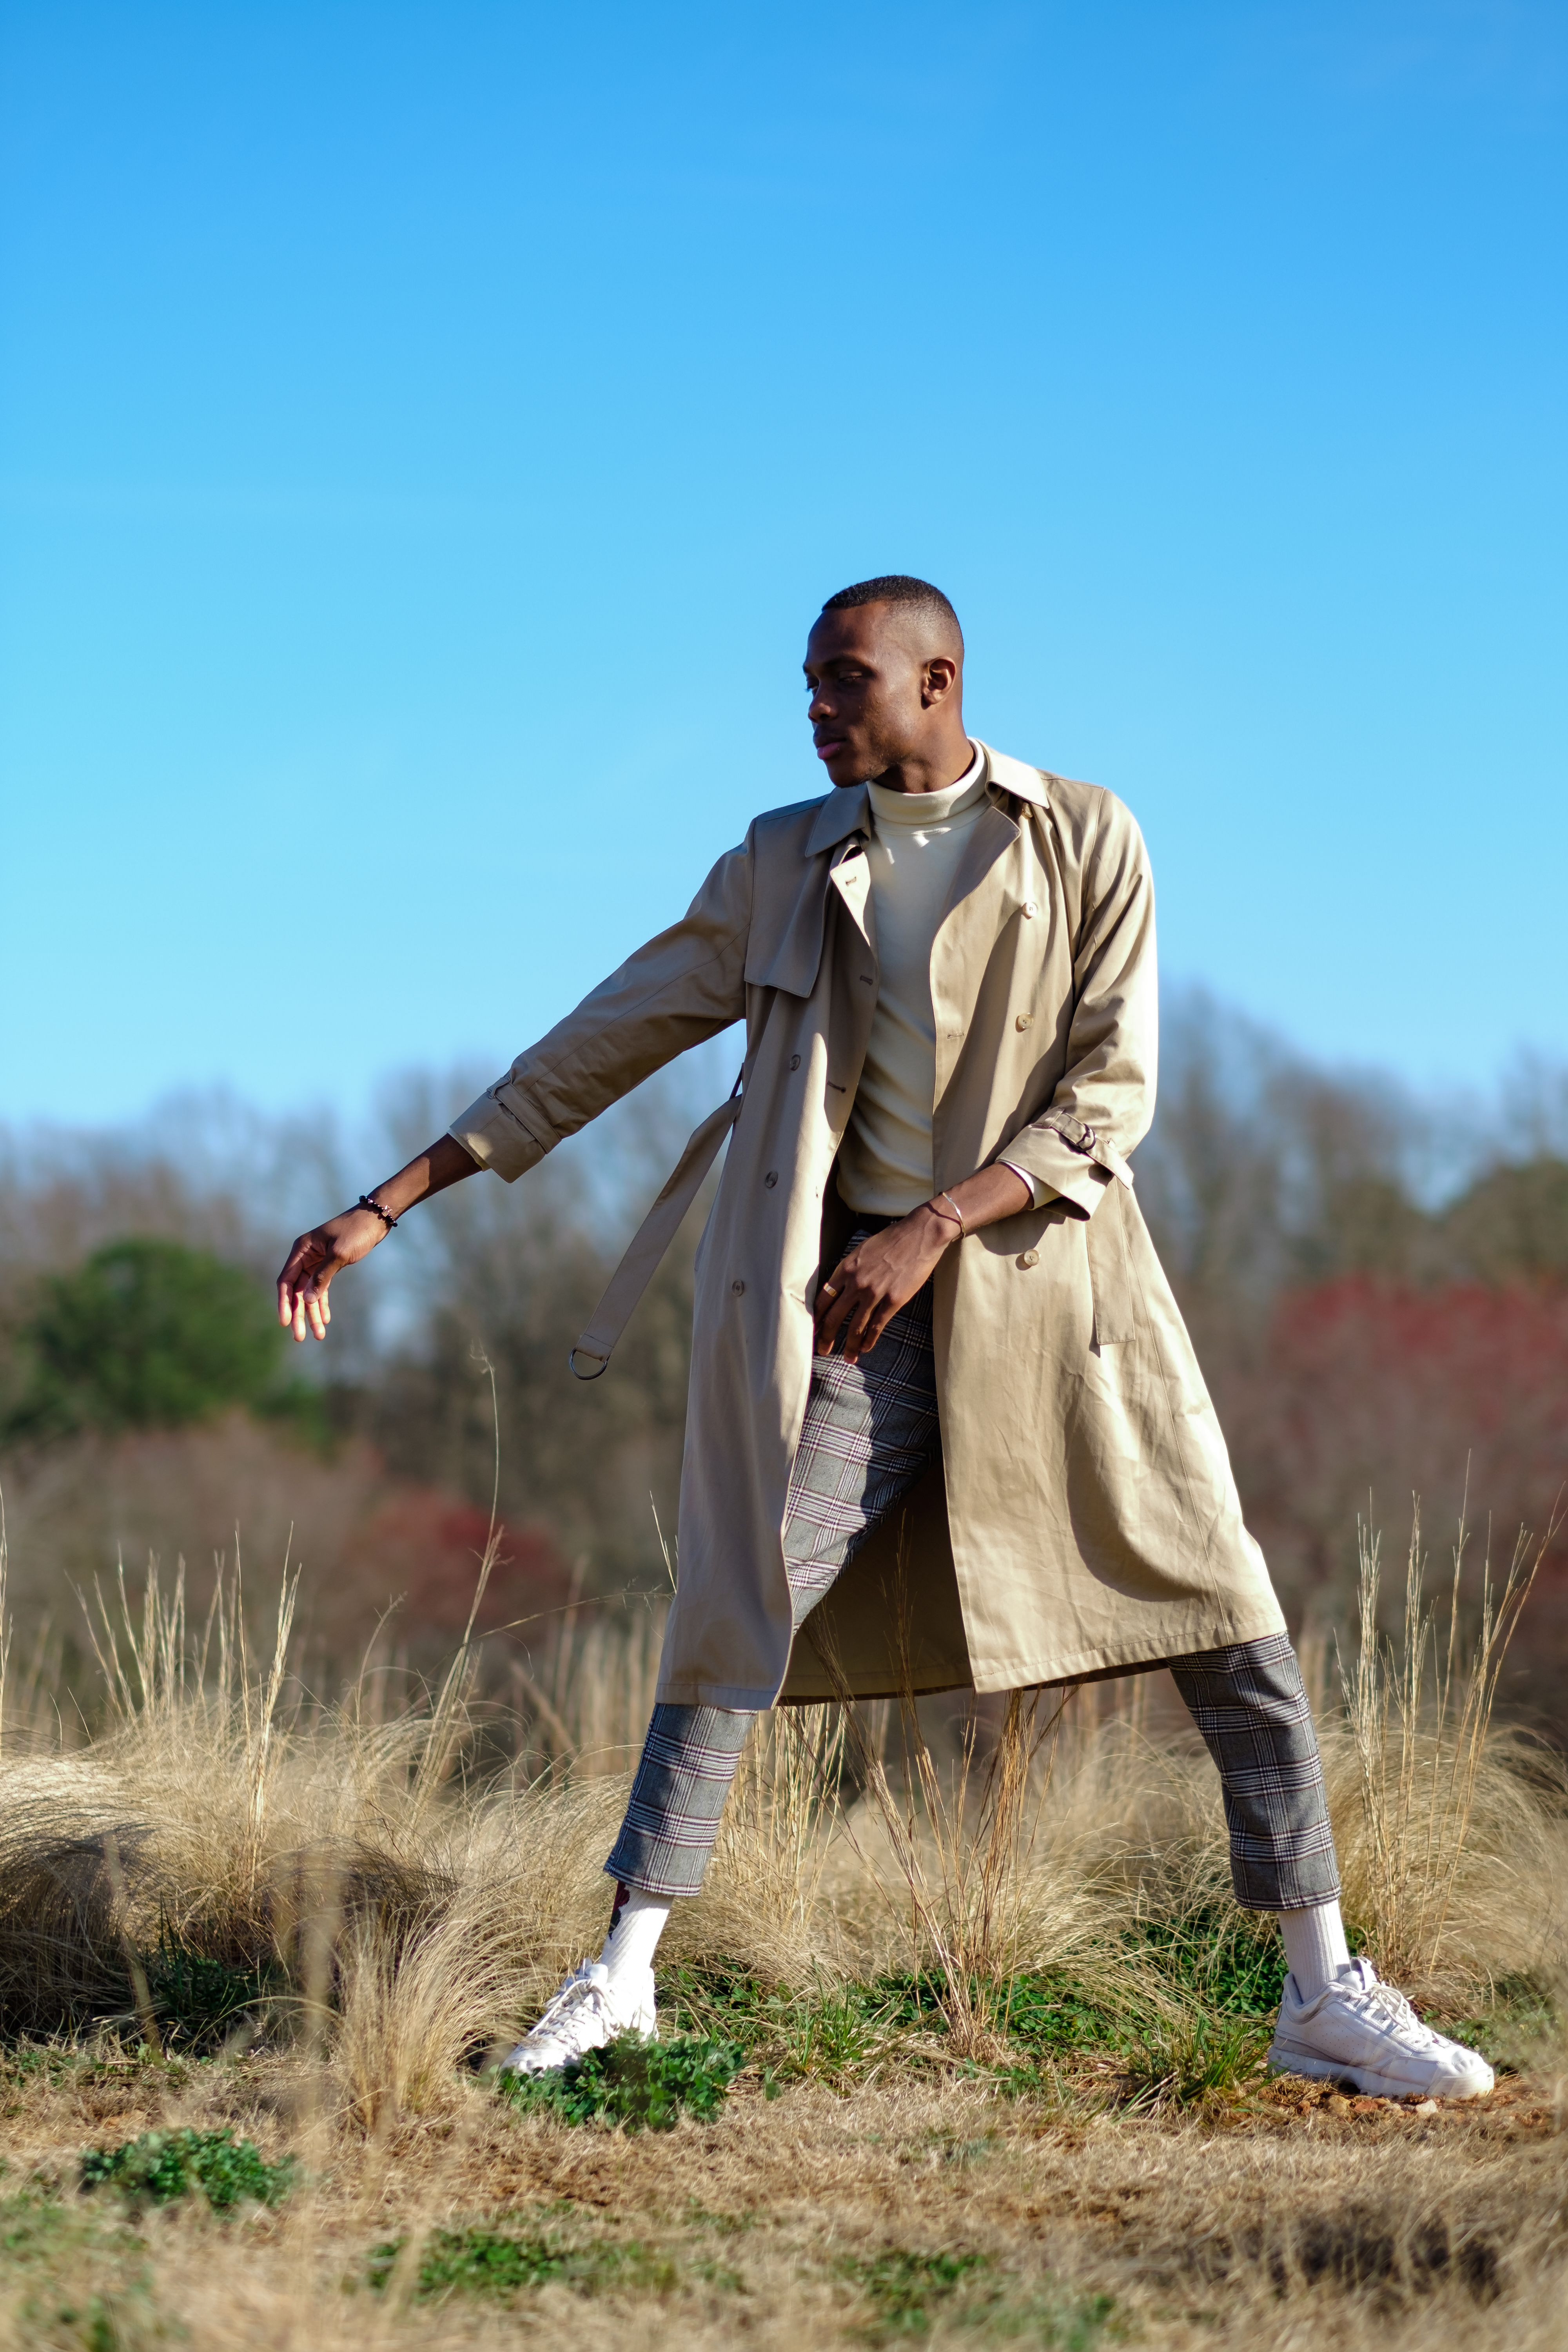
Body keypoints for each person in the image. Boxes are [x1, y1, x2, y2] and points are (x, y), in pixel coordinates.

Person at [278, 575, 1493, 2103]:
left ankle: (1322, 1996)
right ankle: (622, 1978)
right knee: (743, 1599)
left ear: (938, 680)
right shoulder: (781, 859)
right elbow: (602, 1037)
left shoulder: (1085, 834)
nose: (813, 708)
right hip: (855, 1313)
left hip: (1058, 1305)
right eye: (807, 680)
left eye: (842, 679)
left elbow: (1112, 1094)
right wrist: (389, 1202)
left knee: (1221, 1607)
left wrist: (939, 1223)